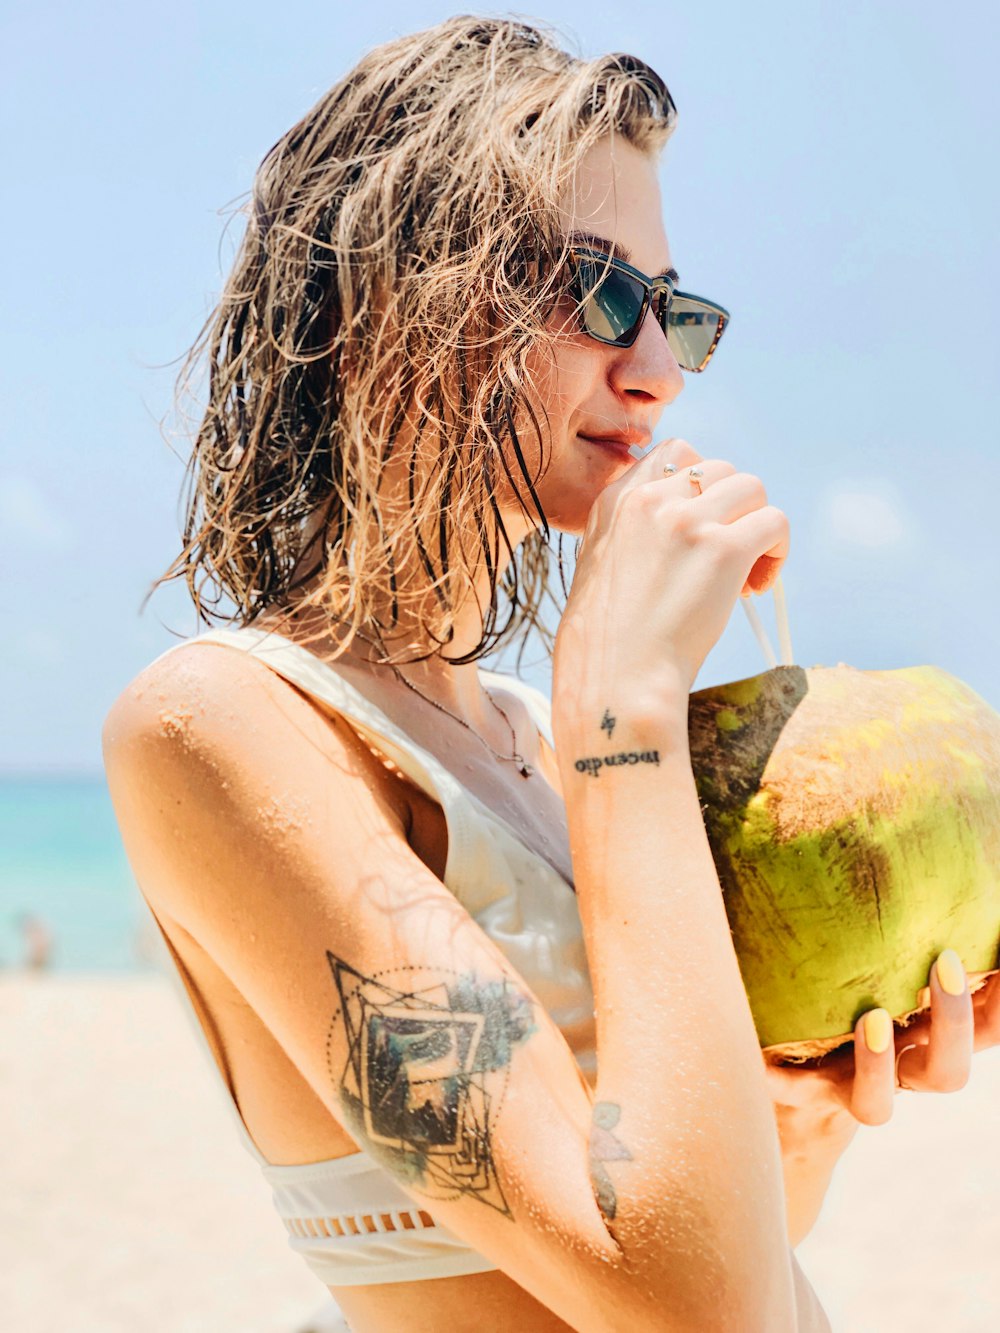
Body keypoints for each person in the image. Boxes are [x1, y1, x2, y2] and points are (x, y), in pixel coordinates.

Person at [102, 16, 992, 1332]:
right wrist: (624, 709)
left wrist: (802, 1114)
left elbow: (741, 1253)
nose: (655, 372)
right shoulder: (221, 724)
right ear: (392, 292)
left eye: (677, 310)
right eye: (602, 292)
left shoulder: (533, 732)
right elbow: (685, 1308)